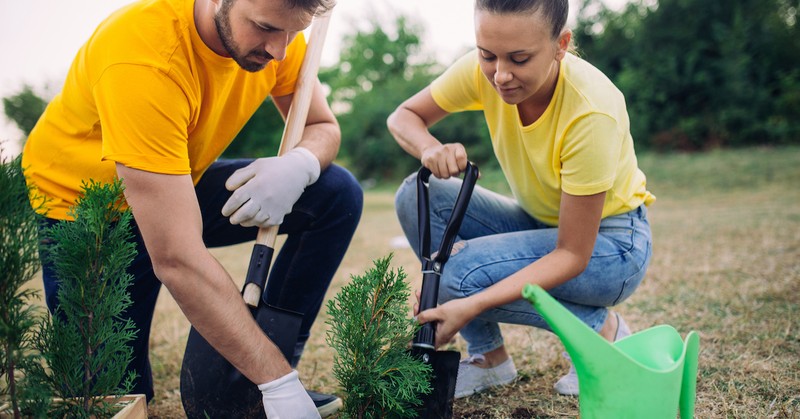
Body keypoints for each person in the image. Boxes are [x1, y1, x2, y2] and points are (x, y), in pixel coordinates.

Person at [22, 0, 362, 416]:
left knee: (334, 191)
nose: (281, 51)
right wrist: (281, 385)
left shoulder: (280, 30)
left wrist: (301, 164)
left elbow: (322, 126)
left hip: (174, 179)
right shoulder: (144, 57)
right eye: (266, 29)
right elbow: (177, 259)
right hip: (86, 212)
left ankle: (261, 378)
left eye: (294, 33)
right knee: (117, 401)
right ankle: (274, 381)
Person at [387, 0, 654, 398]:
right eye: (487, 55)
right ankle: (490, 360)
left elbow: (572, 255)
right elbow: (404, 116)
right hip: (539, 224)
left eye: (520, 58)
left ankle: (602, 333)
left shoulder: (591, 111)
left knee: (456, 276)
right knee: (416, 195)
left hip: (611, 247)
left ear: (561, 44)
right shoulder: (487, 72)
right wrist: (429, 149)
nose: (501, 75)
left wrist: (469, 304)